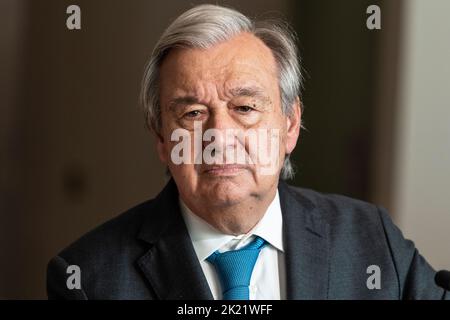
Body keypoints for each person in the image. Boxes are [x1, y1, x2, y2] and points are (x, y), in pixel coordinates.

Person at [47, 4, 447, 300]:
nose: (220, 136)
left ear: (290, 126)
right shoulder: (88, 278)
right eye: (192, 113)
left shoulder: (370, 239)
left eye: (245, 108)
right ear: (162, 141)